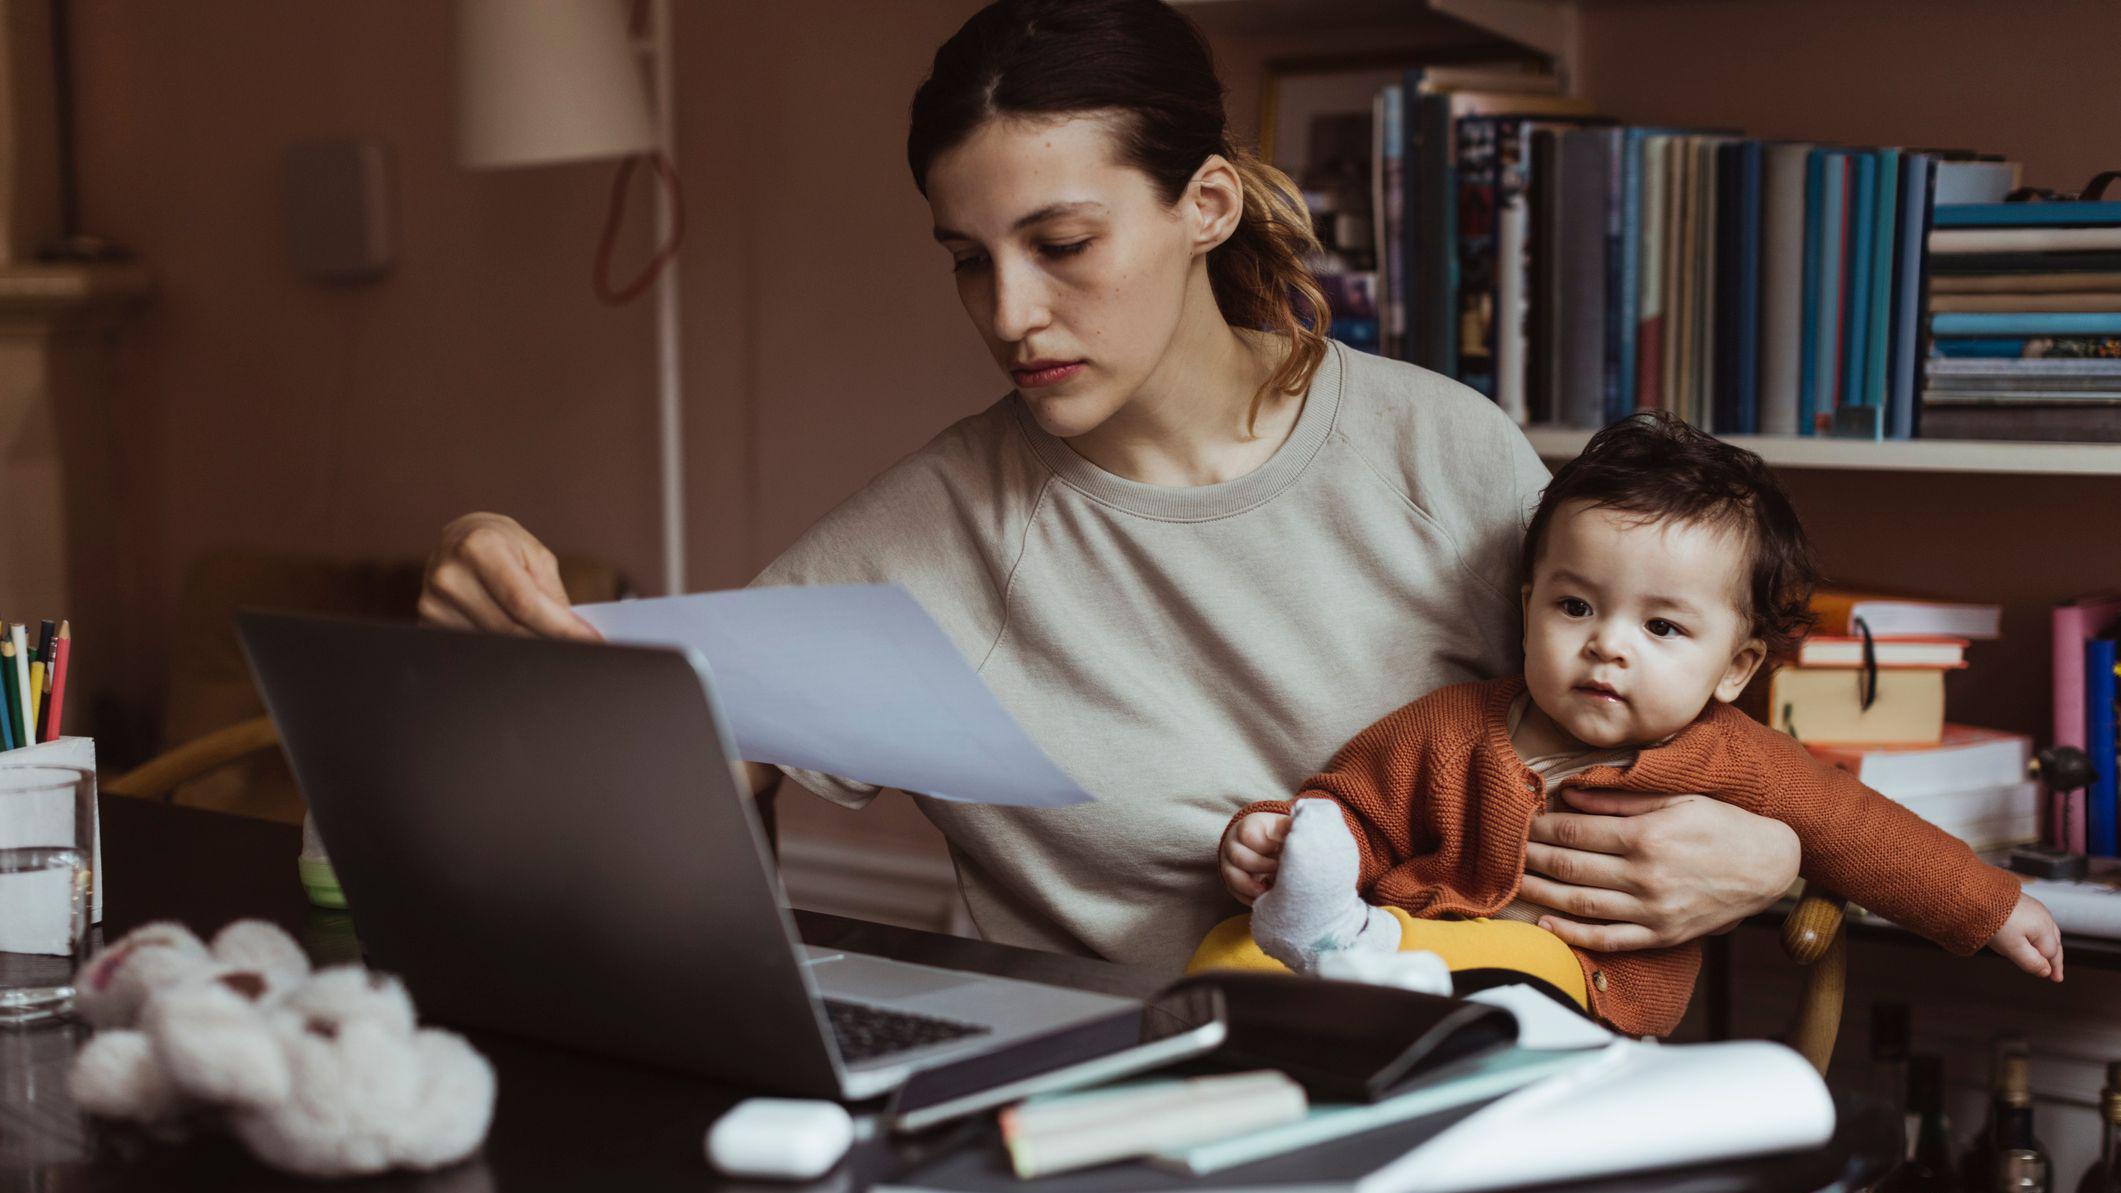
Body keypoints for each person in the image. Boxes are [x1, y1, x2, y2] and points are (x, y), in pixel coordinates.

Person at [416, 0, 1804, 976]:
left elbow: (1650, 726)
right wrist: (501, 597)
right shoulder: (939, 522)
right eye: (968, 257)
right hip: (1083, 1108)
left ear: (1204, 203)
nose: (1011, 311)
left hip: (1460, 1081)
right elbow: (684, 756)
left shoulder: (1440, 451)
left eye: (1061, 241)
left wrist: (1771, 858)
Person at [1200, 414, 2063, 1035]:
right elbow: (1353, 807)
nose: (1607, 645)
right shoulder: (1451, 725)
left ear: (1735, 666)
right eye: (1575, 605)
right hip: (1396, 948)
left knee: (1511, 970)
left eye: (1661, 627)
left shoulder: (1736, 759)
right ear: (1528, 605)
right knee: (1228, 949)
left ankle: (1367, 973)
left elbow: (1860, 831)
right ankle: (1318, 964)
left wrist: (1990, 906)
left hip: (1577, 987)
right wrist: (1282, 842)